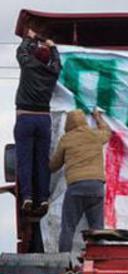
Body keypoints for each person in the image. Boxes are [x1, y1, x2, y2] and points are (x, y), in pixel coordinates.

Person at [50, 109, 111, 252]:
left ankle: (63, 261)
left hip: (76, 188)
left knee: (68, 227)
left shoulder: (66, 139)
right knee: (97, 230)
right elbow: (107, 132)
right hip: (96, 187)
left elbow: (54, 166)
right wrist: (98, 118)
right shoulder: (94, 135)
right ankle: (98, 261)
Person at [14, 28, 61, 214]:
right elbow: (57, 63)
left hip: (25, 117)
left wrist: (29, 38)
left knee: (25, 160)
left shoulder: (28, 66)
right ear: (47, 59)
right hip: (44, 119)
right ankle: (43, 198)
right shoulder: (52, 73)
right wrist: (54, 47)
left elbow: (21, 52)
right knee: (43, 161)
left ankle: (27, 197)